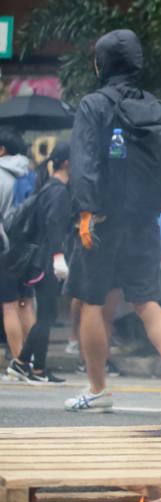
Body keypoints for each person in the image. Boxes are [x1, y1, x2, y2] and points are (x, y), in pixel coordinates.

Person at [64, 29, 161, 416]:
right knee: (146, 300)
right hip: (145, 219)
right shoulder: (158, 107)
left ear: (100, 64)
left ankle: (99, 389)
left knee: (91, 301)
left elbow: (84, 162)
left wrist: (86, 213)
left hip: (103, 218)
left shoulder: (94, 105)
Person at [6, 141, 72, 384]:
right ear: (67, 163)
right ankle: (23, 362)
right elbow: (54, 227)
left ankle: (39, 369)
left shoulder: (47, 188)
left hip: (39, 260)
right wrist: (58, 258)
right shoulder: (58, 192)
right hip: (46, 261)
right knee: (46, 315)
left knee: (46, 314)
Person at [0, 127, 36, 363]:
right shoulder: (30, 173)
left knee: (10, 306)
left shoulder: (1, 175)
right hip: (28, 247)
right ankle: (33, 359)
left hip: (4, 247)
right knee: (26, 304)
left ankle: (19, 362)